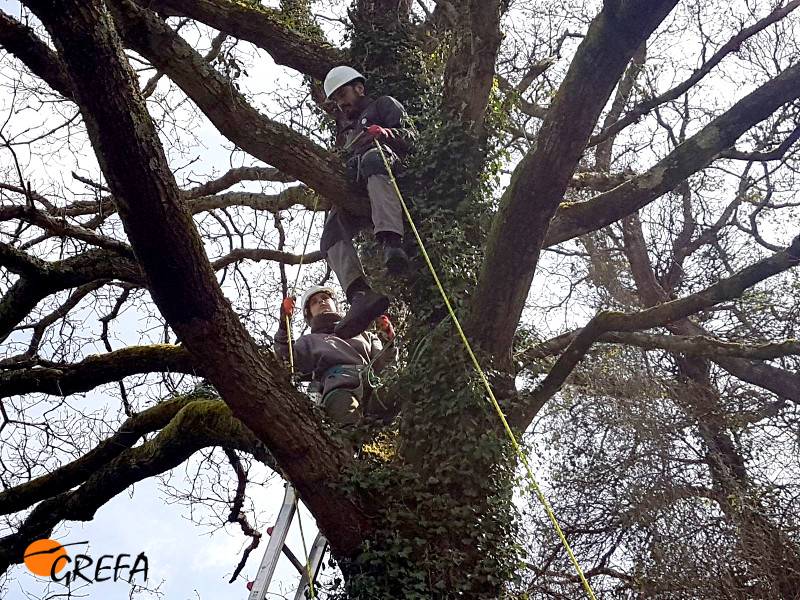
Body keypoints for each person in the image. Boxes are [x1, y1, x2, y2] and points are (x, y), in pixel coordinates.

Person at [320, 65, 417, 340]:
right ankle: (360, 294)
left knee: (374, 158)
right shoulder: (345, 134)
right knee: (330, 232)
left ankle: (391, 243)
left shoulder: (383, 106)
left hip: (390, 173)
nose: (341, 103)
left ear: (359, 88)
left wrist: (385, 134)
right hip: (362, 188)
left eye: (343, 94)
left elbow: (413, 139)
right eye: (336, 99)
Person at [275, 285, 397, 425]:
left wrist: (389, 341)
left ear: (335, 304)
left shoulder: (364, 335)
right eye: (314, 302)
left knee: (399, 394)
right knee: (349, 425)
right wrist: (284, 325)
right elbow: (286, 358)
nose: (321, 302)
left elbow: (384, 365)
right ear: (309, 314)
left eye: (325, 298)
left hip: (371, 385)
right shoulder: (309, 341)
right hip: (339, 389)